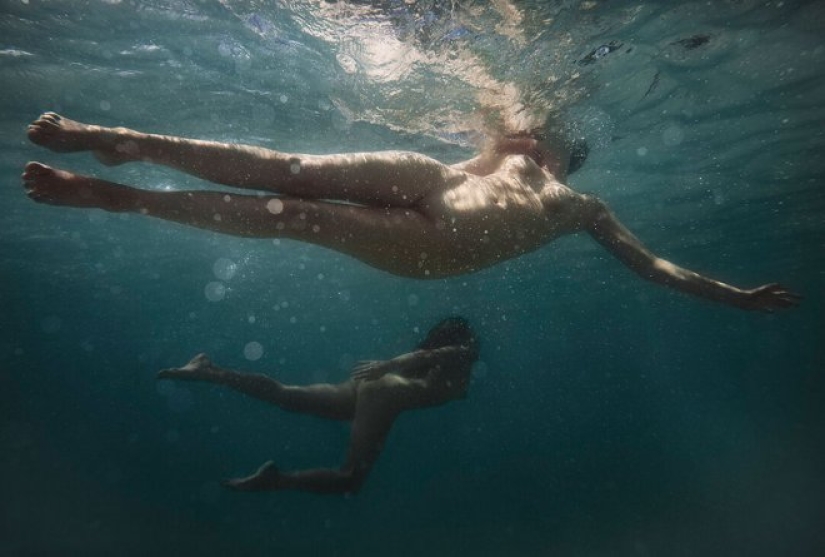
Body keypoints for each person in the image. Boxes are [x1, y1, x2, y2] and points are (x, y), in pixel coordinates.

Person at [23, 112, 799, 311]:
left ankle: (123, 198)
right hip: (438, 190)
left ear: (564, 157)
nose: (536, 140)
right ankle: (123, 144)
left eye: (547, 139)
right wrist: (493, 148)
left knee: (291, 215)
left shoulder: (583, 203)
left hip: (443, 252)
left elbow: (650, 265)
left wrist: (731, 293)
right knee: (289, 172)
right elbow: (471, 162)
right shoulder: (477, 160)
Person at [156, 317, 480, 494]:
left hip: (373, 388)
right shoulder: (462, 356)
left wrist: (386, 369)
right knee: (350, 479)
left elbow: (428, 357)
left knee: (285, 395)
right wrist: (387, 365)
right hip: (384, 392)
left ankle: (210, 371)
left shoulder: (448, 369)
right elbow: (429, 356)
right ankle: (279, 480)